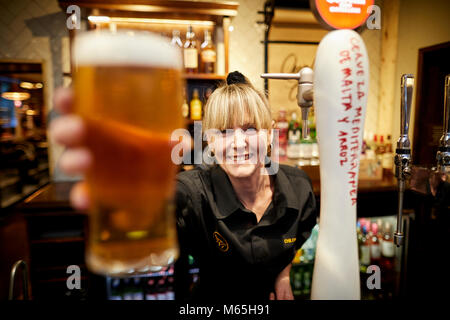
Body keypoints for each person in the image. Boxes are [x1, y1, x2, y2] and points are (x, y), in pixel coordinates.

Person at [50, 71, 317, 301]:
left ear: (269, 133)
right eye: (223, 132)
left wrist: (283, 275)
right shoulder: (191, 193)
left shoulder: (298, 188)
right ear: (209, 141)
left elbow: (293, 242)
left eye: (249, 129)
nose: (237, 143)